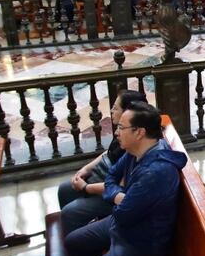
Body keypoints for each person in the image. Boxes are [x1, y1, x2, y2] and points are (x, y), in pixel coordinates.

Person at [65, 103, 187, 256]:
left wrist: (118, 198)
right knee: (73, 241)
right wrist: (119, 196)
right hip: (125, 226)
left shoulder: (156, 172)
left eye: (121, 127)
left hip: (140, 244)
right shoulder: (134, 150)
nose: (116, 132)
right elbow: (112, 175)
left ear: (139, 132)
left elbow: (122, 215)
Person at [56, 90, 147, 235]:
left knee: (70, 212)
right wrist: (86, 169)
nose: (111, 111)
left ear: (127, 112)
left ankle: (79, 246)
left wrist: (86, 187)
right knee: (65, 189)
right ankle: (73, 234)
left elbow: (120, 187)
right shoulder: (121, 131)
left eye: (116, 108)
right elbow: (109, 153)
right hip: (101, 181)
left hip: (110, 193)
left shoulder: (132, 142)